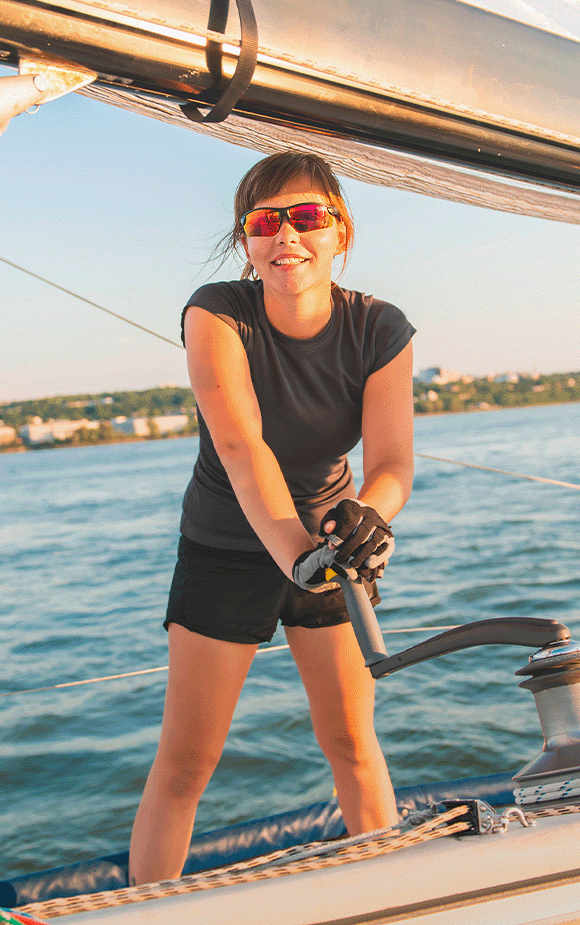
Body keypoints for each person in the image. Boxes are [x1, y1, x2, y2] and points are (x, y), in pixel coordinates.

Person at [129, 152, 415, 885]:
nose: (286, 234)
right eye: (264, 222)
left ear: (341, 230)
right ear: (247, 243)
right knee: (187, 762)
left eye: (308, 216)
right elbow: (238, 442)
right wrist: (296, 555)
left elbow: (392, 464)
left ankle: (391, 892)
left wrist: (365, 518)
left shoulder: (380, 327)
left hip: (333, 543)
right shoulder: (216, 312)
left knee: (353, 743)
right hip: (228, 544)